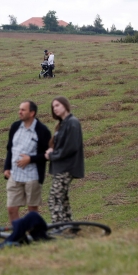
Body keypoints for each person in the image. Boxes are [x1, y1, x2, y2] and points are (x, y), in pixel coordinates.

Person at [3, 101, 52, 222]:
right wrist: (6, 167)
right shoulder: (15, 127)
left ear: (32, 113)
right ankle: (18, 235)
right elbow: (10, 148)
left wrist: (30, 159)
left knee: (32, 210)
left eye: (23, 110)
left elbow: (48, 155)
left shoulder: (42, 131)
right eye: (20, 109)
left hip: (33, 176)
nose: (20, 112)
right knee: (11, 209)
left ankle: (35, 235)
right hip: (15, 175)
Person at [44, 96, 84, 224]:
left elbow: (70, 147)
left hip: (67, 167)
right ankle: (69, 227)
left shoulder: (72, 123)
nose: (55, 108)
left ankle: (58, 228)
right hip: (60, 167)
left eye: (57, 105)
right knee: (63, 199)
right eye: (53, 106)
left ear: (65, 105)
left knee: (54, 199)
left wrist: (51, 156)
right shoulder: (63, 124)